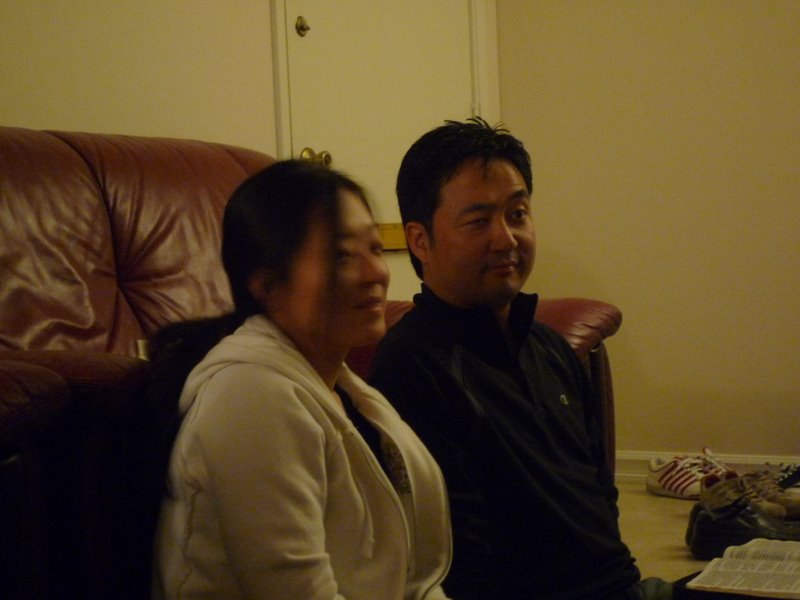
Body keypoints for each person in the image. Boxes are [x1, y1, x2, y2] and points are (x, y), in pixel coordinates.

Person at [369, 118, 672, 599]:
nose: (506, 238)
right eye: (478, 221)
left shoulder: (550, 349)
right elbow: (459, 562)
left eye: (517, 213)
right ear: (420, 240)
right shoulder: (411, 365)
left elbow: (599, 499)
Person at [145, 160, 452, 599]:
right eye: (342, 256)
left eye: (375, 248)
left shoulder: (349, 392)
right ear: (267, 284)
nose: (376, 273)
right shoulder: (249, 396)